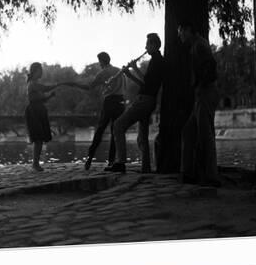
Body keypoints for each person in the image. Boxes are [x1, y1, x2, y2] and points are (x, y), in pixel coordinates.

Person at [107, 33, 165, 173]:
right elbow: (146, 84)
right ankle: (146, 167)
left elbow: (147, 82)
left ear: (154, 45)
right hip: (147, 100)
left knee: (118, 125)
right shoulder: (155, 60)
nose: (145, 47)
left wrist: (135, 68)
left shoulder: (157, 61)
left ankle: (121, 162)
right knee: (142, 137)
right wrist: (129, 74)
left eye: (147, 44)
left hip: (144, 101)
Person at [178, 22, 221, 186]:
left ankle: (211, 176)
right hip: (201, 94)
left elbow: (211, 67)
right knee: (188, 132)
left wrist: (201, 85)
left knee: (205, 135)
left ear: (188, 29)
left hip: (205, 93)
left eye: (181, 31)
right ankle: (189, 173)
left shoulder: (199, 45)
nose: (179, 35)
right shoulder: (197, 45)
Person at [65, 52, 125, 170]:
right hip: (121, 102)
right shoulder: (120, 72)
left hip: (109, 102)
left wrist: (74, 84)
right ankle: (111, 161)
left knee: (100, 130)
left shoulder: (103, 73)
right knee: (115, 132)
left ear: (101, 62)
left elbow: (89, 87)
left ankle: (90, 158)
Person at [25, 62, 58, 172]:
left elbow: (42, 99)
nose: (42, 72)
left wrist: (51, 96)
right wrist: (57, 85)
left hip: (39, 111)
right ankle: (35, 164)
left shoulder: (35, 84)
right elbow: (45, 88)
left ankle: (36, 163)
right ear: (35, 71)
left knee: (40, 138)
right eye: (40, 70)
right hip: (34, 112)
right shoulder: (32, 84)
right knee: (38, 138)